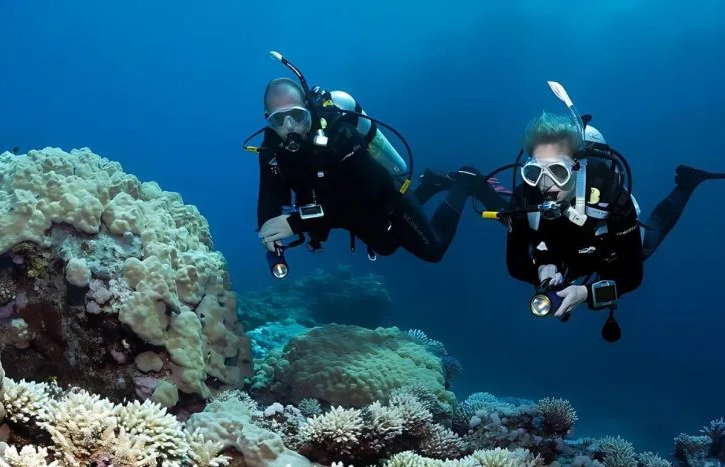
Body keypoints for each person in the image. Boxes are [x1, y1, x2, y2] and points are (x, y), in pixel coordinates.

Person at [251, 74, 507, 265]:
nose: (289, 127)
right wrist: (269, 235)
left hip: (382, 199)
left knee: (433, 251)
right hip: (341, 213)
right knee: (386, 246)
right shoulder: (272, 149)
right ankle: (430, 185)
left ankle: (464, 182)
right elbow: (270, 197)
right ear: (267, 119)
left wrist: (296, 222)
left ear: (308, 108)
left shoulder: (341, 134)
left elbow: (366, 192)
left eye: (297, 115)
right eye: (278, 119)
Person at [498, 110, 724, 320]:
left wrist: (586, 293)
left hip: (605, 248)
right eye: (535, 171)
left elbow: (633, 277)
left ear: (577, 167)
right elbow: (516, 265)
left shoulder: (613, 198)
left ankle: (688, 184)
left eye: (557, 171)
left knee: (650, 238)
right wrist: (541, 270)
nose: (545, 184)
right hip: (557, 252)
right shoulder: (526, 197)